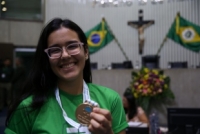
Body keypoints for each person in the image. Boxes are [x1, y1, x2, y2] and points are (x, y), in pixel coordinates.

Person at [5, 18, 128, 134]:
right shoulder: (27, 108)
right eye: (55, 50)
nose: (65, 55)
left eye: (73, 46)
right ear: (47, 59)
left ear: (85, 52)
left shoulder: (111, 100)